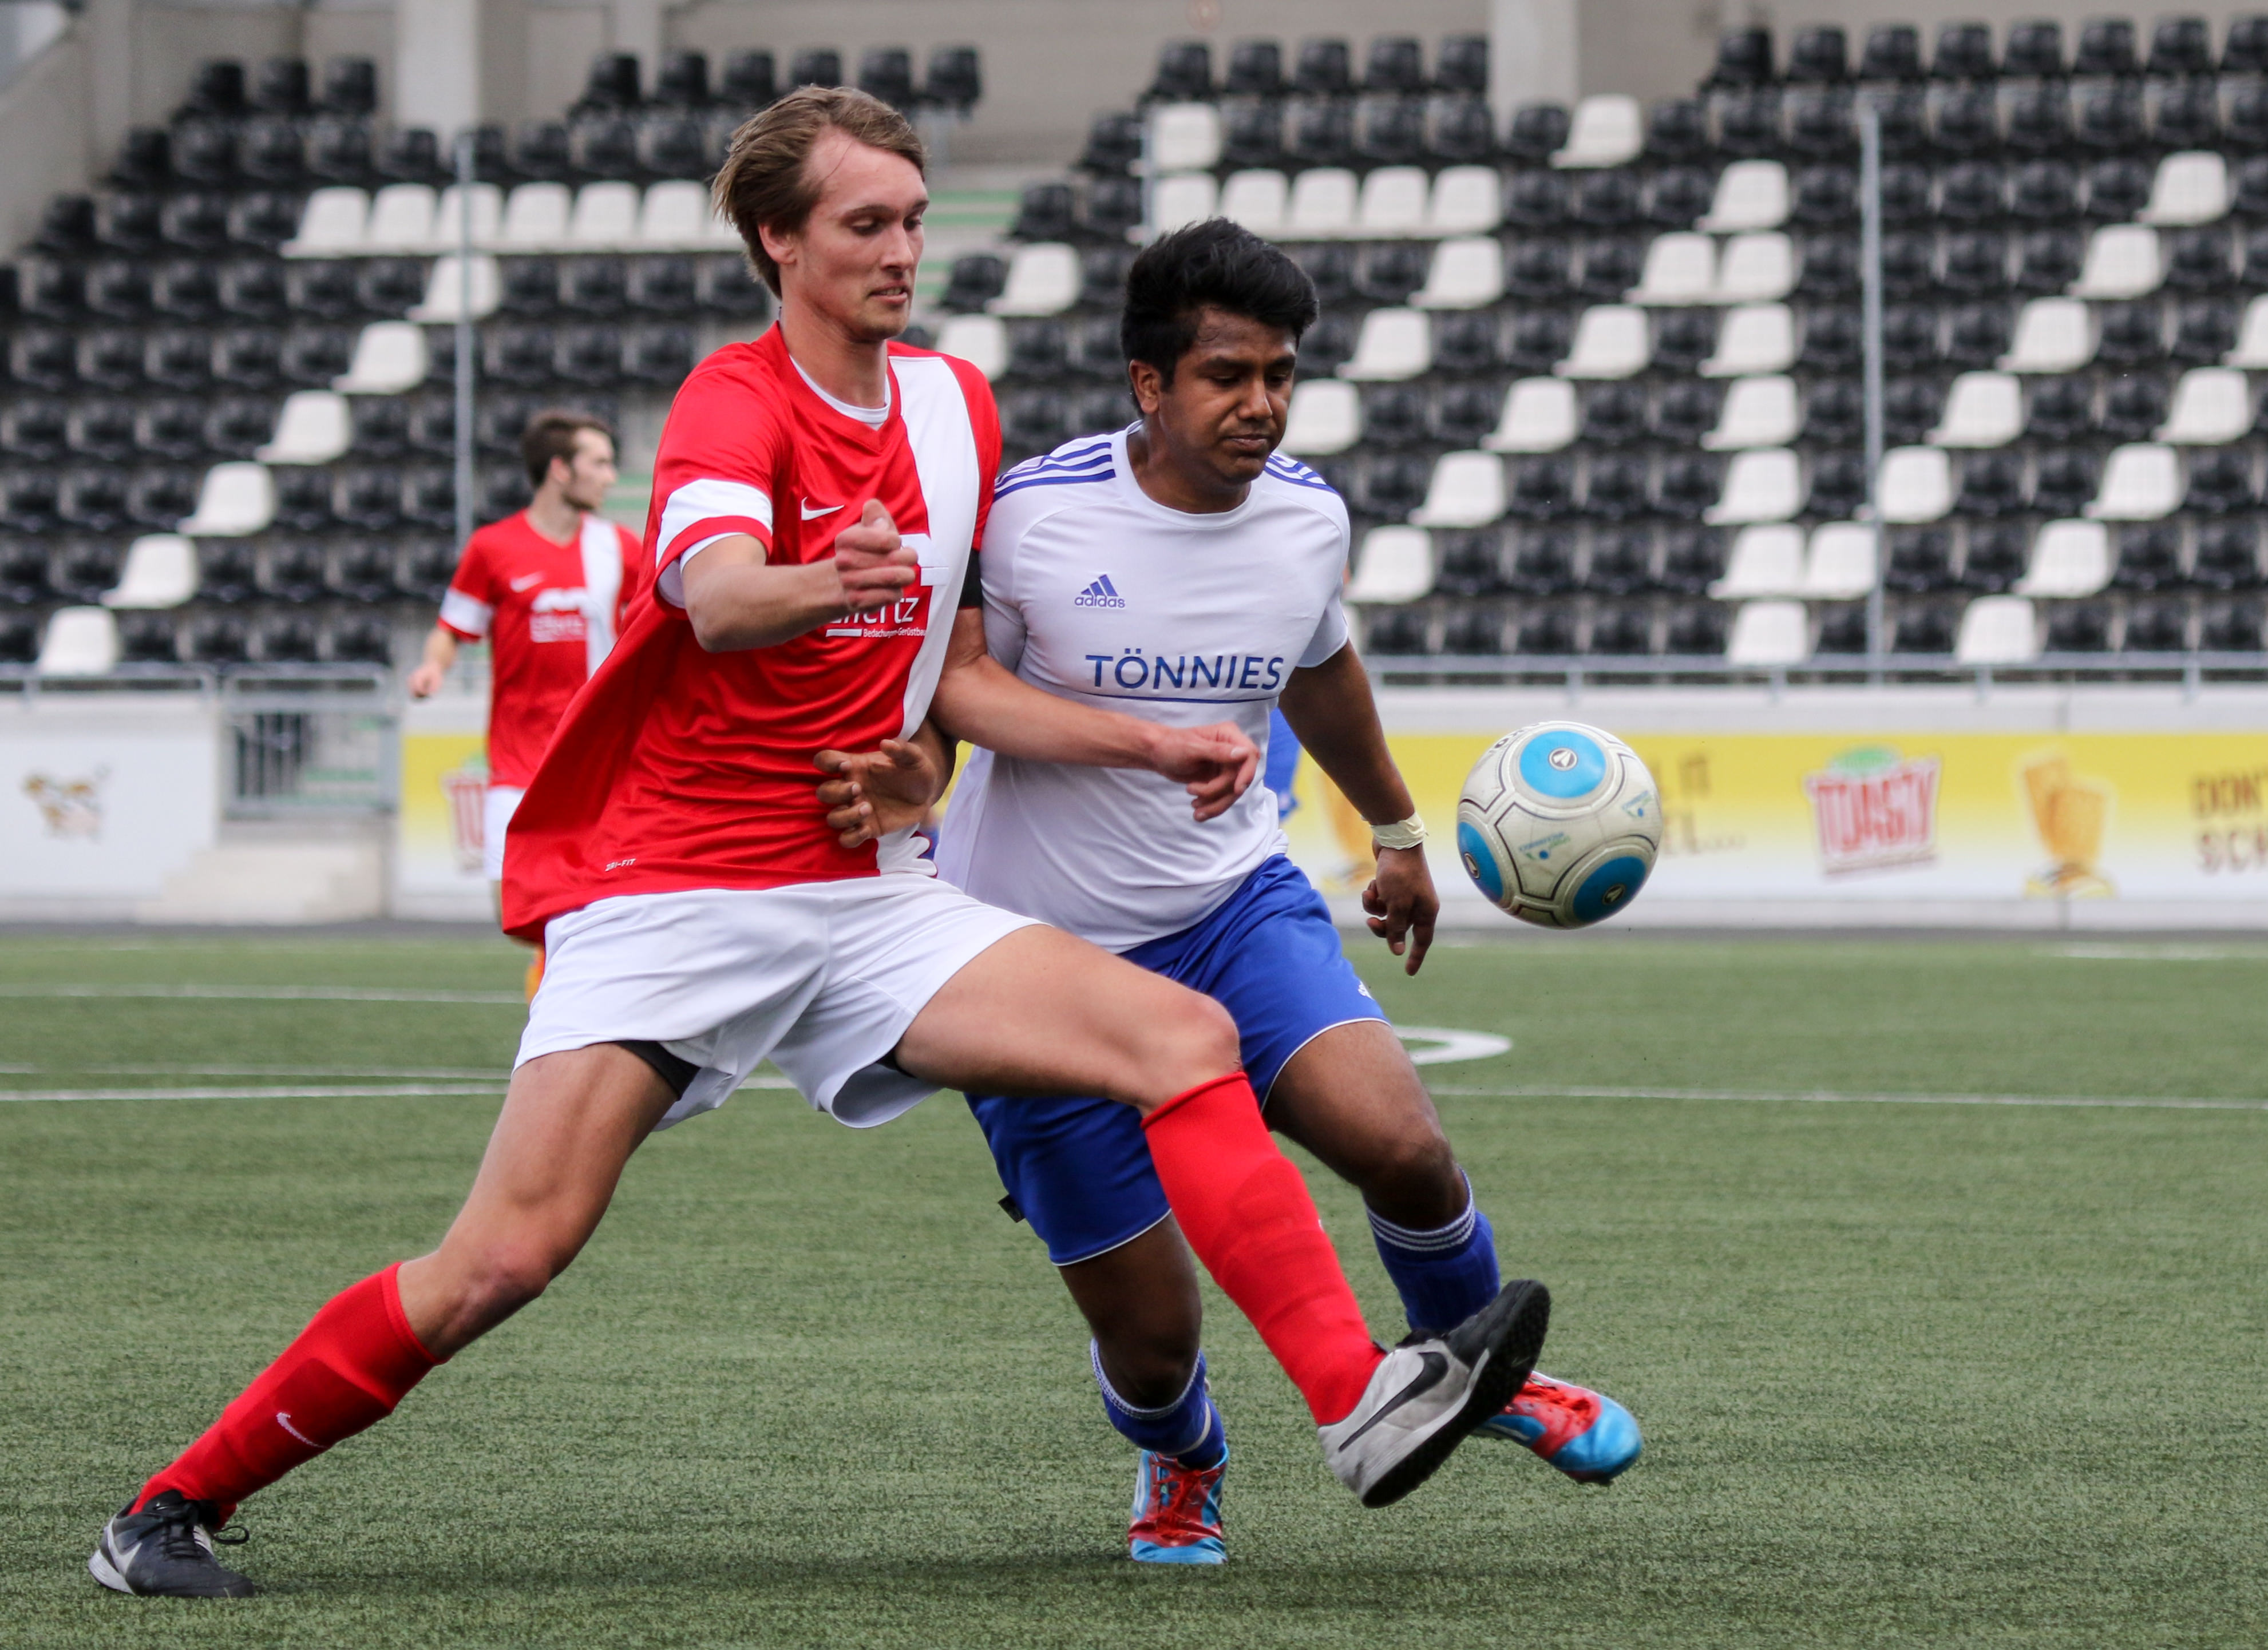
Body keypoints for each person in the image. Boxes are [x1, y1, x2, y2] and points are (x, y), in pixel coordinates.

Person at [88, 90, 1545, 1602]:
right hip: (677, 893)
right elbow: (718, 595)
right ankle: (170, 1506)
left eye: (913, 218)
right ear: (778, 241)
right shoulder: (733, 399)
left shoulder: (954, 405)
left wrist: (994, 755)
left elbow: (954, 679)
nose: (902, 249)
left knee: (1183, 1039)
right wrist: (822, 578)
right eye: (865, 223)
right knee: (503, 1258)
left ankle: (1353, 1398)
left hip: (870, 895)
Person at [823, 220, 1640, 1568]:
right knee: (1152, 1336)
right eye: (1227, 375)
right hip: (1035, 961)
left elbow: (1320, 672)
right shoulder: (1034, 514)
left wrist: (1396, 831)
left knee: (1403, 1144)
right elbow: (957, 690)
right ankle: (1184, 1453)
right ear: (1150, 384)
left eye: (1280, 374)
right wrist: (917, 776)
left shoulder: (1309, 517)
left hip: (1230, 909)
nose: (1261, 402)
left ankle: (1471, 1364)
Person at [406, 410, 640, 993]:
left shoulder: (620, 548)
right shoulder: (493, 548)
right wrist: (434, 667)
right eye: (599, 463)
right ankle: (561, 974)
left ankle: (580, 1005)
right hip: (518, 766)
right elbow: (452, 627)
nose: (610, 477)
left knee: (599, 905)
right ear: (560, 470)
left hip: (597, 765)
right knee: (512, 910)